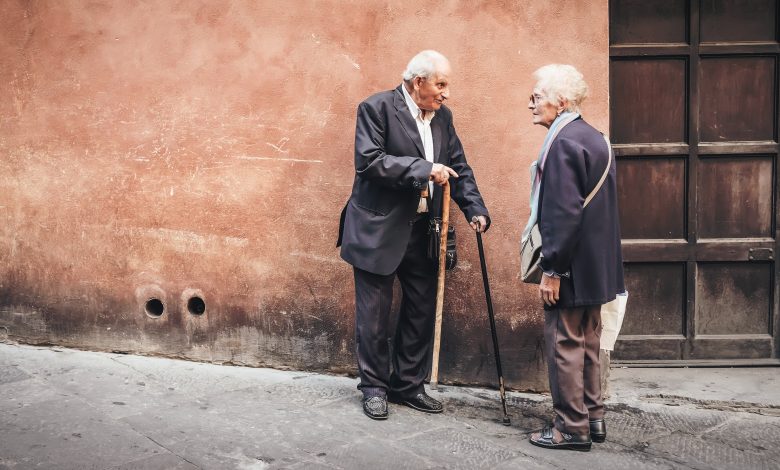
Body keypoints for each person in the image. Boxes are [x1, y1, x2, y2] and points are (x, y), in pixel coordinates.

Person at [337, 50, 490, 420]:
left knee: (420, 311)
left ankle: (407, 384)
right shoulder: (376, 108)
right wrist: (424, 169)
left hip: (424, 230)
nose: (446, 93)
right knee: (373, 316)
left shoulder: (443, 118)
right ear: (418, 81)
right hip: (378, 229)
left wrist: (475, 209)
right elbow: (370, 161)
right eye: (441, 84)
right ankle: (374, 387)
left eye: (446, 85)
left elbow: (458, 166)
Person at [522, 64, 625, 451]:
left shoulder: (563, 142)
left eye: (537, 97)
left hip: (571, 266)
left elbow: (563, 213)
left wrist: (553, 270)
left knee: (565, 343)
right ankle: (593, 418)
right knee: (588, 342)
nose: (531, 103)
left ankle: (570, 427)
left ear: (560, 101)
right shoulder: (595, 137)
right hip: (596, 266)